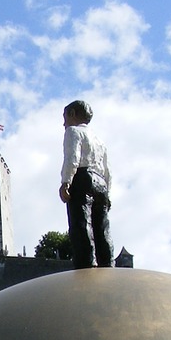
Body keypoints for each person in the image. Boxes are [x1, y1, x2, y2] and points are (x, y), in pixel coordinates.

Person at [58, 99, 113, 270]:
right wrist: (107, 193)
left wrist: (66, 182)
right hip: (101, 183)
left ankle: (86, 265)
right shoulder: (99, 141)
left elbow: (72, 158)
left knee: (81, 225)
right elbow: (107, 170)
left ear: (73, 114)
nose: (63, 123)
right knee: (102, 228)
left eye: (65, 117)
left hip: (82, 178)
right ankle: (107, 264)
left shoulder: (73, 132)